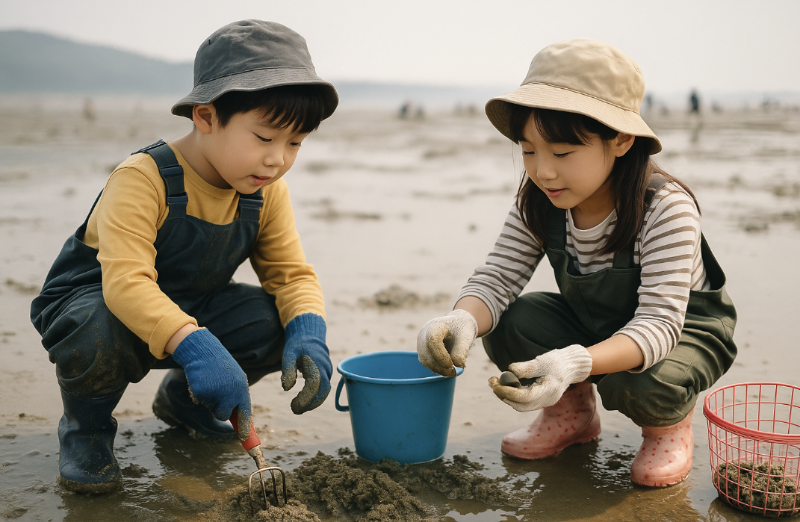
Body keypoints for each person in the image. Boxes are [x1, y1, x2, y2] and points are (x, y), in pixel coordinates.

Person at [30, 20, 338, 494]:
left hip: (192, 304)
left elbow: (291, 275)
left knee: (278, 321)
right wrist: (195, 346)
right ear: (206, 117)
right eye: (264, 137)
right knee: (96, 326)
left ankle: (186, 402)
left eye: (295, 143)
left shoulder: (264, 192)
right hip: (101, 306)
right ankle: (86, 430)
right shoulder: (143, 178)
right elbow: (127, 285)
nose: (278, 159)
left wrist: (310, 333)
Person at [417, 39, 736, 488]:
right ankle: (572, 414)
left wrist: (570, 364)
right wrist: (461, 320)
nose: (543, 171)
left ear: (621, 139)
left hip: (681, 333)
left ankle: (667, 428)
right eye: (529, 150)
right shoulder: (540, 201)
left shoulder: (665, 207)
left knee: (636, 382)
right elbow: (498, 276)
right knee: (512, 322)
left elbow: (659, 325)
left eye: (562, 153)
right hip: (597, 326)